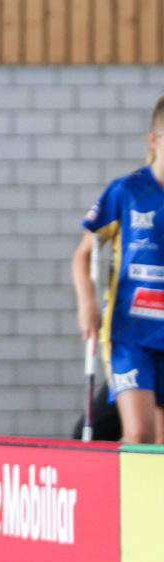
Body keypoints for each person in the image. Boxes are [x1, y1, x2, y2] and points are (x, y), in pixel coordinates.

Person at [72, 95, 164, 444]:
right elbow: (83, 254)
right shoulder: (127, 191)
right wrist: (87, 303)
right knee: (140, 433)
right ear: (153, 141)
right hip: (130, 333)